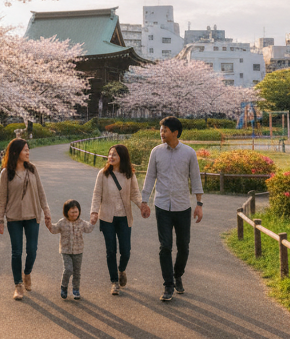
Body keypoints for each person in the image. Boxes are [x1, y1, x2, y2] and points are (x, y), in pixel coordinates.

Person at [141, 116, 203, 302]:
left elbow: (196, 178)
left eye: (165, 130)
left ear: (175, 133)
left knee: (183, 246)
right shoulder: (156, 152)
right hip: (162, 206)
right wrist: (144, 201)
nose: (162, 133)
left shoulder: (189, 153)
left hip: (183, 206)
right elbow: (150, 177)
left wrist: (199, 204)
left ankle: (177, 275)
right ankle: (168, 285)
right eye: (161, 130)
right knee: (165, 246)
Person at [89, 144, 150, 296]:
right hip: (107, 218)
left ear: (122, 156)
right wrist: (94, 212)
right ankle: (114, 281)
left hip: (124, 218)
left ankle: (121, 270)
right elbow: (97, 194)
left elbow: (135, 193)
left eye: (114, 154)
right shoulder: (103, 174)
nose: (111, 157)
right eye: (110, 154)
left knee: (126, 251)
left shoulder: (129, 174)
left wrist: (142, 206)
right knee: (110, 251)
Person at [0, 138, 51, 300]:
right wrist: (0, 220)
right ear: (15, 152)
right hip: (14, 217)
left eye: (28, 149)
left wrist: (46, 210)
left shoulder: (32, 169)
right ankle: (18, 285)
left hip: (32, 215)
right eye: (25, 150)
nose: (28, 152)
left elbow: (40, 191)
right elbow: (1, 198)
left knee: (32, 250)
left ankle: (26, 273)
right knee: (16, 252)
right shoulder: (6, 173)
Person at [47, 199, 97, 300]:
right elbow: (54, 229)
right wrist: (49, 225)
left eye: (76, 212)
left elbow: (88, 229)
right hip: (65, 251)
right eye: (72, 212)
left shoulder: (81, 223)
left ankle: (76, 289)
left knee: (77, 272)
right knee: (68, 269)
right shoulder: (62, 222)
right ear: (66, 212)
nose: (74, 214)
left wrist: (93, 222)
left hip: (78, 251)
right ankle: (64, 287)